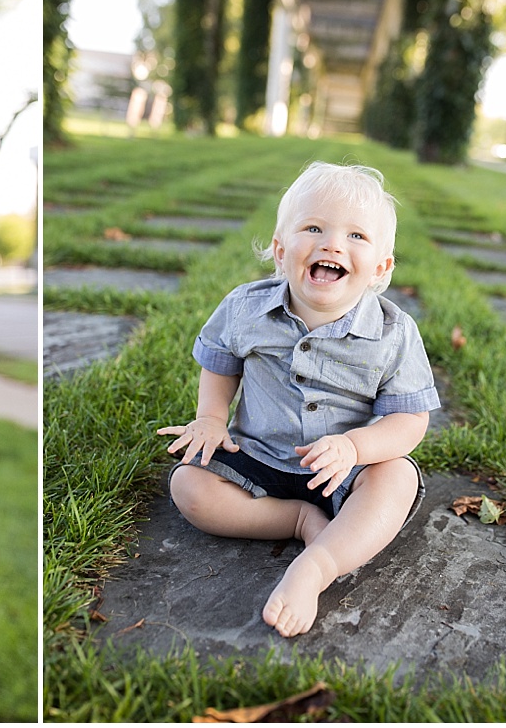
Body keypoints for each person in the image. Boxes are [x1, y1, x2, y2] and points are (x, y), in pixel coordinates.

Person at [157, 161, 438, 638]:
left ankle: (319, 565)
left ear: (380, 268)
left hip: (343, 471)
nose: (332, 244)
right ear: (281, 250)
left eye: (356, 237)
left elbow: (410, 420)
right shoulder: (246, 308)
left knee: (398, 476)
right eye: (314, 228)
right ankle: (296, 519)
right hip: (260, 457)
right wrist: (210, 417)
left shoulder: (394, 334)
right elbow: (221, 361)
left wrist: (355, 448)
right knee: (189, 488)